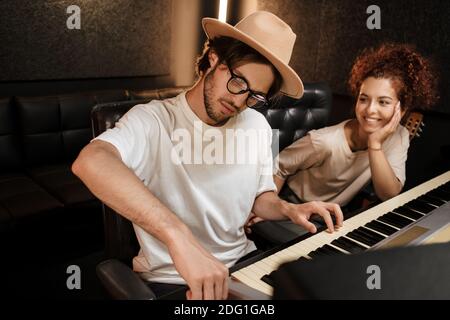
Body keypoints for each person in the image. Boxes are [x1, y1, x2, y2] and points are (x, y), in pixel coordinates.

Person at [72, 11, 343, 300]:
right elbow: (91, 160)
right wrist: (178, 236)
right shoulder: (153, 120)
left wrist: (288, 210)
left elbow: (260, 198)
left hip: (243, 268)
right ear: (214, 58)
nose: (239, 101)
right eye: (238, 81)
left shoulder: (257, 124)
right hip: (173, 280)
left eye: (253, 95)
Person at [272, 43, 438, 212]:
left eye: (383, 102)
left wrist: (375, 145)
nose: (370, 109)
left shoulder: (400, 136)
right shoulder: (324, 141)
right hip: (295, 206)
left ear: (401, 110)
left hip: (333, 214)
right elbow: (278, 166)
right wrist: (274, 208)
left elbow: (388, 195)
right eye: (364, 99)